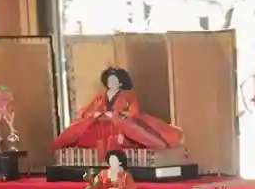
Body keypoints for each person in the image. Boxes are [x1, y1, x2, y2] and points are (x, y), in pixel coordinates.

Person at [51, 66, 183, 157]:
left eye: (114, 80)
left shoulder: (128, 95)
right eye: (109, 80)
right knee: (78, 129)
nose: (111, 83)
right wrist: (96, 115)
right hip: (100, 123)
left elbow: (134, 112)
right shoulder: (99, 96)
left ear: (120, 83)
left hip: (119, 123)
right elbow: (85, 111)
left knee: (134, 130)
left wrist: (117, 115)